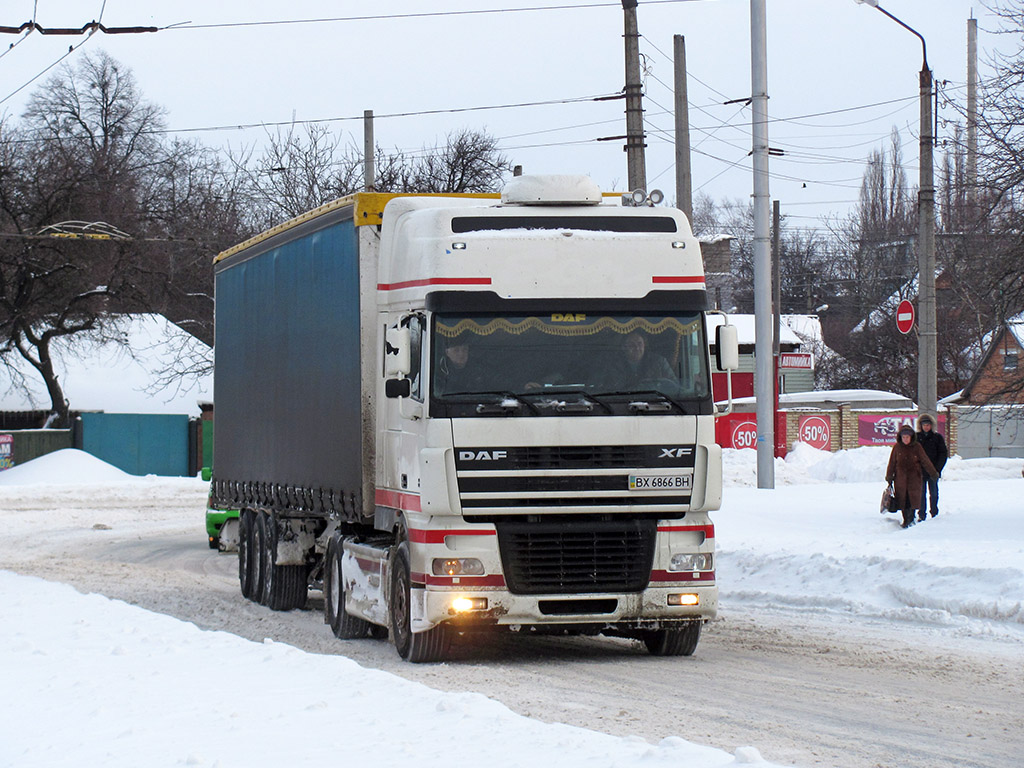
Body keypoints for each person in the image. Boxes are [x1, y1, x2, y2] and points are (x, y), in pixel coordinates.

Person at [885, 424, 939, 529]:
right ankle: (906, 519)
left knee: (912, 499)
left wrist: (933, 473)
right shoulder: (897, 447)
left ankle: (911, 518)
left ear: (911, 437)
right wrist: (889, 476)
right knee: (902, 499)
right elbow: (891, 463)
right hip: (900, 478)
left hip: (914, 478)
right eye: (903, 437)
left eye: (907, 437)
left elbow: (925, 461)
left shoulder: (917, 447)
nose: (905, 439)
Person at [603, 331, 674, 390]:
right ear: (624, 347)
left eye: (640, 344)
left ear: (644, 345)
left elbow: (674, 386)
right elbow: (608, 389)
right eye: (631, 345)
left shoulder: (660, 362)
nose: (637, 348)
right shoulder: (614, 365)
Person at [916, 414, 947, 520]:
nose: (926, 427)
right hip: (920, 471)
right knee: (921, 494)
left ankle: (934, 512)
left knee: (933, 493)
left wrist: (937, 469)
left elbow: (943, 454)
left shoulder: (937, 438)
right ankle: (921, 514)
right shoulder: (916, 438)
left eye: (928, 425)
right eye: (924, 425)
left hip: (933, 470)